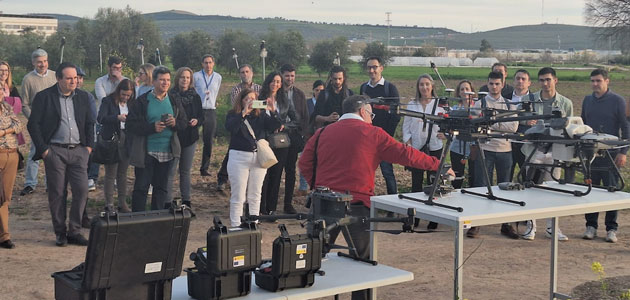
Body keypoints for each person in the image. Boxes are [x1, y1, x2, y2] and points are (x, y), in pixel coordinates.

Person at [299, 95, 452, 300]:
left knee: (310, 259)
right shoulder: (373, 134)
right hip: (358, 204)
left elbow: (305, 163)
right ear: (362, 111)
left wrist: (317, 186)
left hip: (322, 203)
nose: (372, 118)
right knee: (363, 262)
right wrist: (438, 166)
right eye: (371, 114)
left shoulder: (321, 133)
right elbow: (406, 154)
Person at [27, 62, 95, 247]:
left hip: (79, 151)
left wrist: (88, 147)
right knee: (57, 193)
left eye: (75, 78)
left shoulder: (83, 97)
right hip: (55, 151)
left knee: (81, 190)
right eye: (69, 78)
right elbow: (33, 125)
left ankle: (75, 231)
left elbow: (90, 123)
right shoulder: (44, 97)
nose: (74, 81)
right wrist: (44, 150)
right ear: (58, 79)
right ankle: (60, 233)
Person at [518, 67, 574, 241]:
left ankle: (552, 227)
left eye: (548, 79)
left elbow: (571, 130)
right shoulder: (528, 100)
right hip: (533, 151)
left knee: (554, 190)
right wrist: (526, 122)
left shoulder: (566, 103)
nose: (545, 83)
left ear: (555, 80)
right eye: (542, 80)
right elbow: (517, 125)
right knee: (530, 188)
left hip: (554, 152)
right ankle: (531, 226)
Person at [127, 66, 187, 212]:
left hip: (167, 152)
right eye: (161, 80)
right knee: (141, 187)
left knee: (161, 188)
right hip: (147, 152)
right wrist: (151, 128)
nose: (165, 83)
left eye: (167, 80)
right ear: (153, 81)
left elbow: (184, 122)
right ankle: (138, 220)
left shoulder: (174, 100)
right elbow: (131, 124)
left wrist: (175, 124)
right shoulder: (142, 101)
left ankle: (157, 218)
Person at [466, 71, 518, 239]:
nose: (494, 86)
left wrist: (490, 123)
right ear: (487, 84)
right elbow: (475, 126)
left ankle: (506, 224)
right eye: (491, 84)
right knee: (481, 186)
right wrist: (500, 123)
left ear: (503, 84)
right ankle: (477, 224)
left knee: (505, 188)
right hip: (485, 150)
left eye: (497, 83)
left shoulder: (511, 105)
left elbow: (513, 128)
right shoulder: (478, 103)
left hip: (505, 151)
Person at [582, 68, 629, 243]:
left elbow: (626, 128)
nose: (595, 84)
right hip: (591, 155)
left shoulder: (618, 101)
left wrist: (623, 152)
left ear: (607, 81)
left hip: (611, 154)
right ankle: (591, 226)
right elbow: (583, 126)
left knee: (611, 191)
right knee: (591, 190)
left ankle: (611, 229)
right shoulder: (587, 100)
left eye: (598, 81)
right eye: (592, 81)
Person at [225, 88, 280, 227]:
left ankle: (253, 225)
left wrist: (273, 111)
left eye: (253, 99)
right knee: (238, 195)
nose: (250, 102)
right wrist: (243, 113)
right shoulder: (233, 114)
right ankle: (236, 226)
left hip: (258, 158)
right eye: (247, 99)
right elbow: (231, 128)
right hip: (238, 157)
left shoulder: (261, 115)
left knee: (255, 195)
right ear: (241, 101)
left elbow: (275, 126)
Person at [402, 74, 444, 230]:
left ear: (432, 86)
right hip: (417, 148)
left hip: (435, 147)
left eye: (427, 84)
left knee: (433, 183)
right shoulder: (412, 104)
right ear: (417, 87)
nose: (424, 88)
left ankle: (433, 217)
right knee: (416, 183)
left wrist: (444, 134)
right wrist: (408, 141)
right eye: (421, 85)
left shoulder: (440, 105)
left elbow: (448, 123)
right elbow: (406, 125)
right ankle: (416, 215)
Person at [360, 56, 401, 196]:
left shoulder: (390, 89)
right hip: (368, 139)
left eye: (374, 67)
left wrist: (387, 136)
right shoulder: (363, 88)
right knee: (365, 173)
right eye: (369, 67)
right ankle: (365, 203)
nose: (372, 70)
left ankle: (392, 205)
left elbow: (396, 115)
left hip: (384, 139)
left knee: (387, 172)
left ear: (381, 68)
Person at [216, 64, 262, 191]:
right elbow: (235, 106)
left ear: (252, 73)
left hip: (254, 121)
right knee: (232, 151)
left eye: (247, 71)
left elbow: (260, 105)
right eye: (242, 72)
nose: (245, 74)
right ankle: (223, 177)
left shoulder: (259, 88)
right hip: (240, 122)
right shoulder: (236, 89)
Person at [258, 71, 297, 216]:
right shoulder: (259, 99)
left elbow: (295, 121)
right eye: (273, 81)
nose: (276, 84)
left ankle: (271, 209)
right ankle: (260, 208)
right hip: (264, 141)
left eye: (278, 82)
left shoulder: (285, 100)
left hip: (280, 142)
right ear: (268, 82)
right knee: (263, 175)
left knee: (276, 175)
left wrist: (284, 126)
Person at [20, 49, 57, 196]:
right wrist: (34, 120)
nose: (43, 64)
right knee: (34, 153)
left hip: (54, 123)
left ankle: (51, 184)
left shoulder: (55, 76)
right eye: (39, 62)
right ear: (34, 62)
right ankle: (30, 183)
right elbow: (24, 104)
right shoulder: (28, 79)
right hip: (37, 124)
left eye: (45, 61)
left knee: (52, 154)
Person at [166, 67, 203, 212]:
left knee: (185, 171)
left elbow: (201, 116)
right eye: (182, 77)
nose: (185, 80)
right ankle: (167, 202)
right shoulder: (170, 96)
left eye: (188, 78)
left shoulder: (195, 97)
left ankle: (186, 201)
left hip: (190, 137)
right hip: (174, 137)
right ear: (177, 79)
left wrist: (197, 121)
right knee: (171, 170)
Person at [97, 79, 135, 213]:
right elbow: (101, 118)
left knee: (123, 173)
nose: (125, 97)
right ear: (119, 91)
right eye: (123, 94)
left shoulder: (132, 103)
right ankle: (109, 204)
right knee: (110, 173)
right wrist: (117, 117)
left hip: (127, 138)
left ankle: (122, 202)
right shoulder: (108, 101)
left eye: (128, 95)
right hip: (112, 139)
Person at [279, 64, 309, 214]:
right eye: (287, 75)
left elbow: (304, 116)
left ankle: (288, 204)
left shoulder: (299, 94)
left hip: (293, 137)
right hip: (277, 137)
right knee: (276, 170)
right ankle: (269, 204)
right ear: (281, 76)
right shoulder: (276, 93)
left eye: (292, 75)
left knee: (290, 171)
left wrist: (301, 135)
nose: (290, 78)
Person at [0, 83, 23, 249]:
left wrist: (3, 131)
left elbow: (19, 125)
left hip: (12, 154)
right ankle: (5, 235)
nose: (1, 92)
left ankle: (3, 235)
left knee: (5, 197)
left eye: (2, 89)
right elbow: (13, 126)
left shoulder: (6, 107)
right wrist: (10, 128)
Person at [193, 54, 222, 177]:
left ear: (213, 63)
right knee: (191, 137)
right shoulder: (196, 76)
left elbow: (216, 92)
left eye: (210, 62)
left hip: (210, 110)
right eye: (206, 62)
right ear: (202, 64)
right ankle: (185, 164)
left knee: (208, 141)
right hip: (197, 110)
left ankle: (204, 168)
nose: (208, 65)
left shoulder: (218, 77)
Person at [297, 80, 325, 195]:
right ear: (313, 90)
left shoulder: (326, 104)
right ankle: (303, 187)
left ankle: (319, 186)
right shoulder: (307, 103)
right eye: (317, 90)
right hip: (308, 138)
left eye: (321, 90)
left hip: (323, 138)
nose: (319, 92)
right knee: (305, 161)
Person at [449, 80, 476, 189]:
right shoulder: (455, 109)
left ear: (472, 91)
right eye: (462, 89)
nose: (465, 92)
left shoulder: (478, 109)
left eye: (467, 89)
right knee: (457, 178)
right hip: (457, 148)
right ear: (458, 92)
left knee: (474, 177)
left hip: (474, 148)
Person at [509, 69, 534, 183]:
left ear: (529, 83)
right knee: (507, 173)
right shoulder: (505, 98)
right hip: (508, 140)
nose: (520, 81)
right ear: (513, 81)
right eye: (518, 78)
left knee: (526, 175)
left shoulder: (535, 100)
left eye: (523, 79)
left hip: (525, 141)